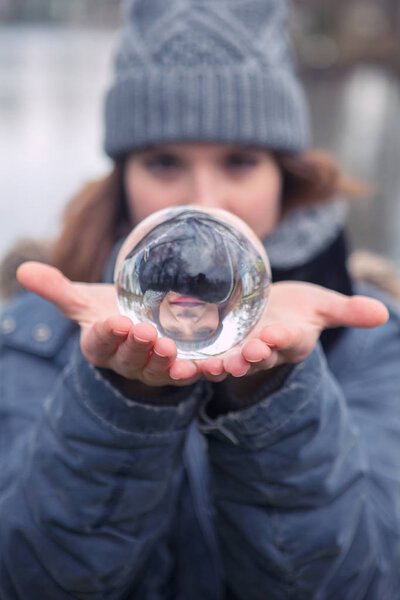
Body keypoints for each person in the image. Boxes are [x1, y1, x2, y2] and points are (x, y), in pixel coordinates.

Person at [1, 1, 399, 598]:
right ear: (121, 174)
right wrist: (121, 399)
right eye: (164, 162)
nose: (203, 199)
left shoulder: (373, 340)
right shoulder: (33, 334)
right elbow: (26, 577)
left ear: (285, 173)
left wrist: (272, 396)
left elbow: (365, 581)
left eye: (239, 162)